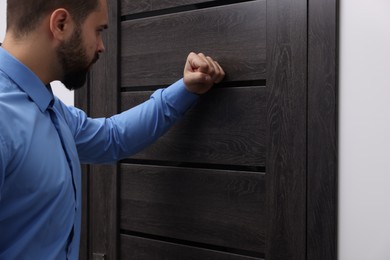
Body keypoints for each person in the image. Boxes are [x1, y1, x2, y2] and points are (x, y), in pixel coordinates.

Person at [0, 0, 225, 258]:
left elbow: (112, 137)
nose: (101, 46)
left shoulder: (47, 108)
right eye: (98, 30)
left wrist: (186, 89)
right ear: (60, 24)